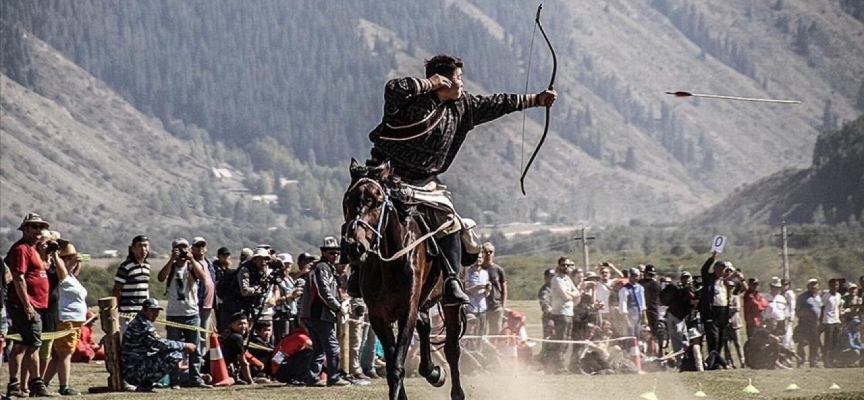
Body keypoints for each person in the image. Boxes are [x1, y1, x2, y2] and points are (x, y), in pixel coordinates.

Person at [347, 53, 558, 306]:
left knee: (450, 221)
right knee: (363, 207)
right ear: (443, 81)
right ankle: (358, 271)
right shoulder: (409, 101)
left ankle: (451, 281)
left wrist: (537, 99)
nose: (462, 84)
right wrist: (431, 83)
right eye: (458, 78)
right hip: (386, 175)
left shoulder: (463, 106)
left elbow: (497, 103)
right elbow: (394, 87)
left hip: (426, 181)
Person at [4, 213, 55, 398]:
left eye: (40, 227)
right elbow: (18, 277)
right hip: (25, 304)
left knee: (20, 345)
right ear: (25, 229)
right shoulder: (21, 249)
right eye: (34, 227)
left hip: (34, 303)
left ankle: (15, 385)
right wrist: (27, 304)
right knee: (34, 344)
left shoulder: (32, 249)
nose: (38, 230)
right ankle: (36, 384)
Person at [157, 238, 211, 388]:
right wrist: (171, 260)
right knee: (174, 349)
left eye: (184, 248)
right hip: (174, 313)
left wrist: (191, 260)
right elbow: (161, 278)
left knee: (195, 348)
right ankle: (175, 380)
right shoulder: (172, 267)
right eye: (178, 249)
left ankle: (196, 378)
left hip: (191, 313)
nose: (181, 252)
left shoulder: (193, 266)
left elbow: (203, 278)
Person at [298, 237, 351, 387]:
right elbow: (324, 291)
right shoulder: (322, 267)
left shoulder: (325, 267)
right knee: (332, 346)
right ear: (323, 253)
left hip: (313, 314)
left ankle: (312, 377)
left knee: (319, 348)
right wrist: (337, 307)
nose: (335, 255)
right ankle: (333, 377)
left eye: (337, 253)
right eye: (331, 252)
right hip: (318, 313)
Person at [122, 298, 196, 392]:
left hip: (135, 367)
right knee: (174, 355)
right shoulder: (143, 324)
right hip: (134, 371)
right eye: (152, 310)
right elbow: (159, 343)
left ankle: (146, 385)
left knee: (168, 353)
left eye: (157, 311)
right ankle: (146, 384)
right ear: (144, 310)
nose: (155, 314)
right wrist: (184, 345)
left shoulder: (141, 321)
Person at [43, 242, 88, 395]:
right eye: (69, 259)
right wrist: (58, 256)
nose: (74, 261)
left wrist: (76, 263)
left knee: (59, 355)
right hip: (66, 319)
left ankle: (44, 383)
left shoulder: (71, 277)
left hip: (74, 320)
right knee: (65, 354)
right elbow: (62, 273)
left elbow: (71, 273)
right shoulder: (59, 276)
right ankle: (64, 386)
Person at [113, 235, 151, 337]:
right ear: (133, 248)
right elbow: (117, 289)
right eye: (140, 246)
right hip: (127, 312)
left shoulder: (147, 267)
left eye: (145, 246)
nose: (143, 249)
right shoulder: (126, 266)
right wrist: (116, 310)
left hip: (142, 312)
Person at [546, 257, 580, 373]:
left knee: (567, 340)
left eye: (567, 265)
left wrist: (570, 295)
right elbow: (564, 297)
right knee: (561, 340)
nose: (565, 267)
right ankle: (558, 366)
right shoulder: (557, 279)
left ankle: (562, 364)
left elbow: (577, 292)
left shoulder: (567, 279)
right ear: (559, 265)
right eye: (563, 265)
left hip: (569, 313)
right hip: (560, 313)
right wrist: (571, 296)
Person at [191, 237, 217, 361]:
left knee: (204, 334)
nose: (200, 248)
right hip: (197, 303)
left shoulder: (209, 263)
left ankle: (201, 357)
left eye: (202, 245)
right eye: (197, 246)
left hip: (208, 304)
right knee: (197, 333)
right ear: (192, 248)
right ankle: (197, 358)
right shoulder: (191, 263)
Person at [480, 242, 508, 338]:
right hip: (482, 306)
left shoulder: (498, 270)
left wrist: (503, 306)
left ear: (493, 253)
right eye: (486, 252)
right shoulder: (478, 269)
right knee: (481, 331)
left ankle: (495, 351)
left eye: (490, 252)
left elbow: (504, 289)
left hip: (496, 306)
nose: (488, 254)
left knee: (496, 331)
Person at [220, 312, 254, 385]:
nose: (243, 326)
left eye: (245, 323)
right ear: (232, 325)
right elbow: (243, 362)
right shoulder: (236, 337)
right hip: (219, 368)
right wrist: (250, 381)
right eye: (240, 324)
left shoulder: (227, 333)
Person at [795, 279, 823, 368]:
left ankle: (813, 361)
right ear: (808, 286)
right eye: (811, 285)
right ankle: (801, 361)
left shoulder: (819, 297)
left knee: (814, 343)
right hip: (804, 322)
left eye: (815, 285)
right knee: (803, 342)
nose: (814, 287)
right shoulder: (802, 297)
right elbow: (797, 310)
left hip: (815, 323)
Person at [465, 257, 490, 343]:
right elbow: (465, 290)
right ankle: (468, 351)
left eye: (480, 258)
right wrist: (477, 287)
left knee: (481, 332)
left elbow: (487, 294)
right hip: (471, 308)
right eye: (476, 258)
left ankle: (479, 351)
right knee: (470, 332)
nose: (478, 259)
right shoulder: (467, 272)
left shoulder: (485, 273)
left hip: (482, 307)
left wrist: (488, 289)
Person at [618, 268, 647, 343]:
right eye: (633, 276)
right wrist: (626, 319)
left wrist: (644, 316)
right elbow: (623, 305)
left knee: (638, 333)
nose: (635, 278)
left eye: (637, 276)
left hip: (638, 313)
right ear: (629, 276)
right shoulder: (624, 289)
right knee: (630, 334)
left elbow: (642, 303)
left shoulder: (640, 288)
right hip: (630, 313)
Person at [639, 265, 662, 357]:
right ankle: (651, 355)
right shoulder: (656, 284)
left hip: (641, 310)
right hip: (653, 311)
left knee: (642, 335)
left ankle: (645, 355)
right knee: (652, 335)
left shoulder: (640, 283)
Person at [821, 278, 843, 367]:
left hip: (836, 320)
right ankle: (826, 361)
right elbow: (822, 307)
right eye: (833, 285)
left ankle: (833, 360)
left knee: (835, 341)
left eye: (836, 285)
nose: (835, 287)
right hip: (828, 321)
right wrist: (821, 321)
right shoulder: (826, 296)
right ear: (830, 286)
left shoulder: (838, 295)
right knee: (828, 342)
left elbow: (838, 307)